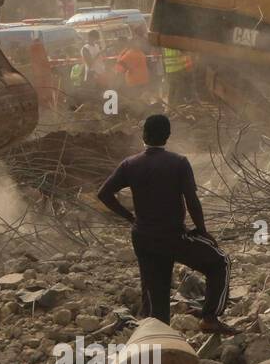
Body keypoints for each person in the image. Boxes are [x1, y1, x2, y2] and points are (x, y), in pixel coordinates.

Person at [97, 114, 235, 334]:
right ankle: (210, 317)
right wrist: (201, 231)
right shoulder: (178, 163)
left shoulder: (130, 164)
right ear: (168, 136)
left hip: (143, 237)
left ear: (143, 135)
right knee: (220, 263)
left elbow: (104, 194)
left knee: (156, 296)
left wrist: (130, 218)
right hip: (173, 236)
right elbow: (192, 201)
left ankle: (155, 338)